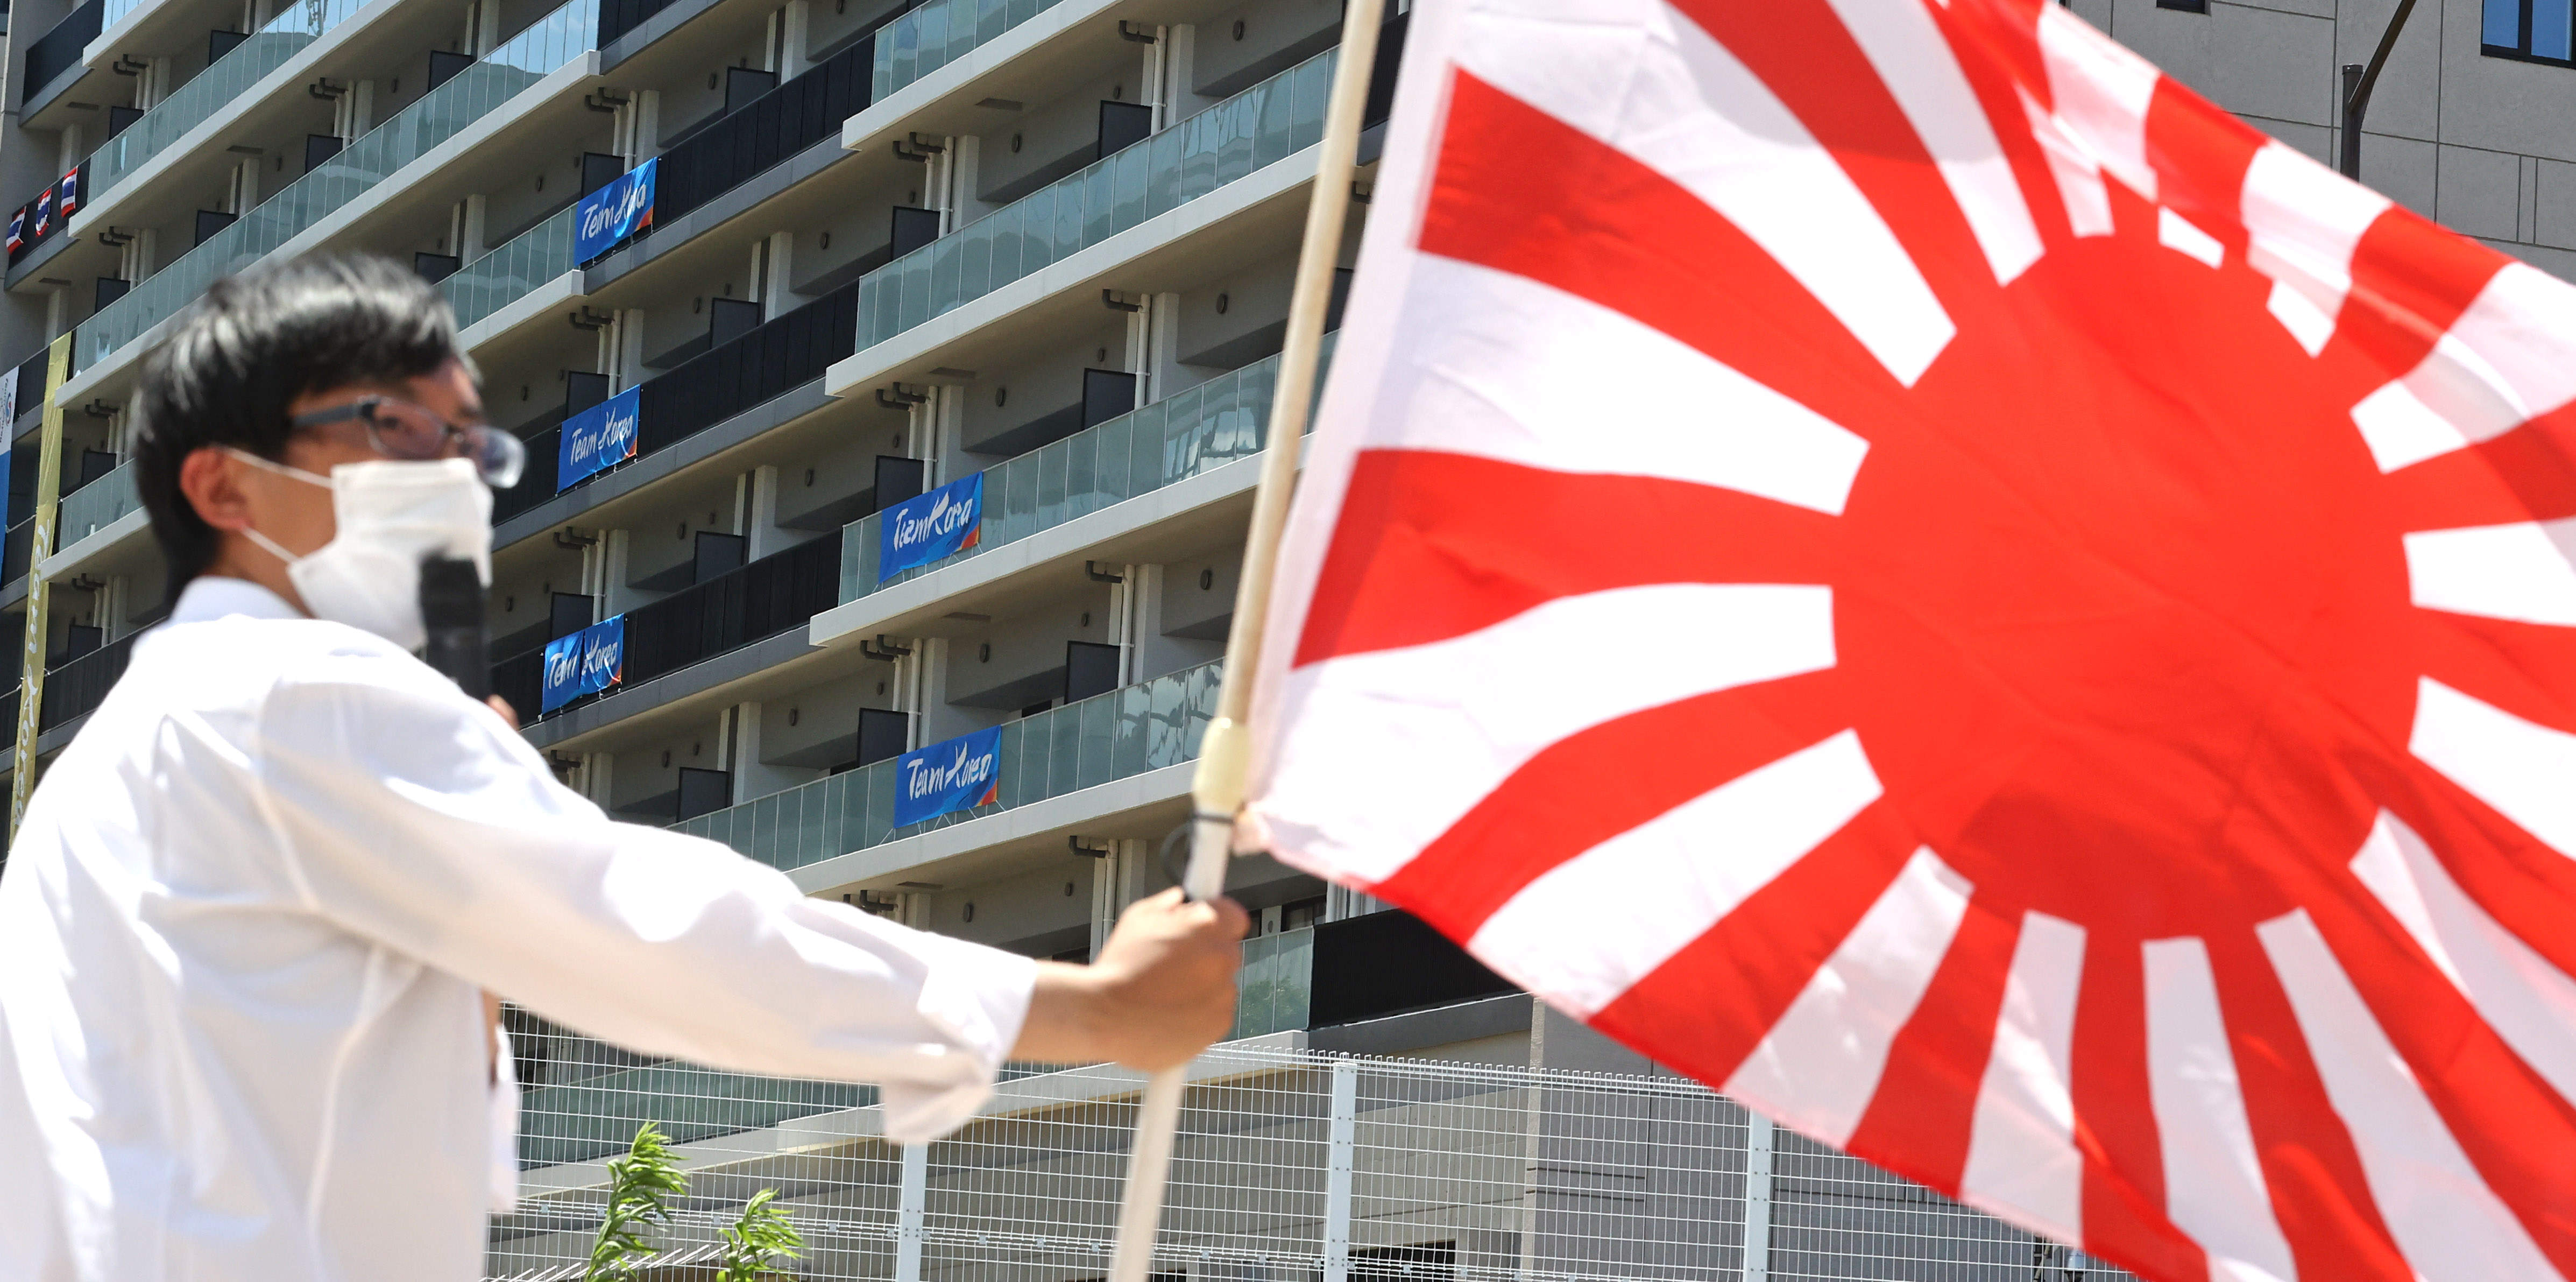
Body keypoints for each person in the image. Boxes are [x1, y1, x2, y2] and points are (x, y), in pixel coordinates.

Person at [0, 253, 1248, 1280]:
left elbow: (361, 1133)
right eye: (395, 428)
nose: (449, 479)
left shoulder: (104, 774)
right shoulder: (302, 692)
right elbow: (660, 933)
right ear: (223, 483)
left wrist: (469, 924)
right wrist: (1089, 1010)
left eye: (471, 451)